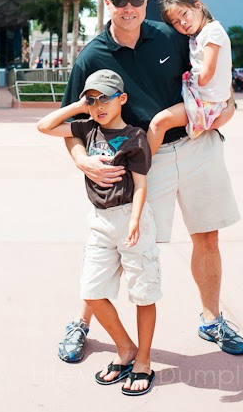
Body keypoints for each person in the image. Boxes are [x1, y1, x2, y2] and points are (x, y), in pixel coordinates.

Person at [57, 0, 243, 367]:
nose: (128, 8)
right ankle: (81, 322)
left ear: (146, 2)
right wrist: (80, 159)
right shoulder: (92, 56)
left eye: (136, 0)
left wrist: (229, 105)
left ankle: (211, 319)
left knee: (207, 238)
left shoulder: (170, 36)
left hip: (196, 144)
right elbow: (71, 124)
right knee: (118, 242)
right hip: (143, 159)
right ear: (107, 4)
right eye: (119, 1)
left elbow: (212, 75)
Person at [37, 69, 159, 395]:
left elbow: (141, 184)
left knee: (143, 292)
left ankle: (144, 360)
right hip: (100, 221)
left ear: (122, 99)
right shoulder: (86, 128)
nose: (99, 105)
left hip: (131, 217)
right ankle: (126, 348)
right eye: (92, 100)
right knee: (91, 290)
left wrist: (135, 221)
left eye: (105, 98)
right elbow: (44, 126)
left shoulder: (135, 137)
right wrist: (80, 107)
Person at [147, 0, 232, 153]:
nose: (183, 23)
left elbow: (208, 71)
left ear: (198, 5)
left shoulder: (212, 31)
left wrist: (194, 81)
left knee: (159, 122)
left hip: (207, 103)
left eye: (184, 14)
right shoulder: (198, 34)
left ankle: (141, 164)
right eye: (176, 22)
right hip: (205, 99)